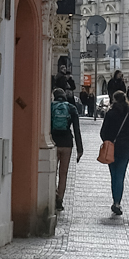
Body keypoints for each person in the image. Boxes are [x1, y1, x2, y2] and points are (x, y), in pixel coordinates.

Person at [100, 84, 129, 216]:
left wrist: (107, 140)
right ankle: (117, 202)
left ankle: (115, 200)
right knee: (120, 176)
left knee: (114, 175)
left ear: (114, 99)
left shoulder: (110, 113)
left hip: (111, 148)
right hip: (125, 149)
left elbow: (103, 132)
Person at [49, 73, 82, 211]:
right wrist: (80, 149)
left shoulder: (50, 107)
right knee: (63, 174)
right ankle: (60, 200)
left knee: (52, 172)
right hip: (67, 144)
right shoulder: (71, 108)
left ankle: (51, 196)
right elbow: (77, 130)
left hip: (54, 143)